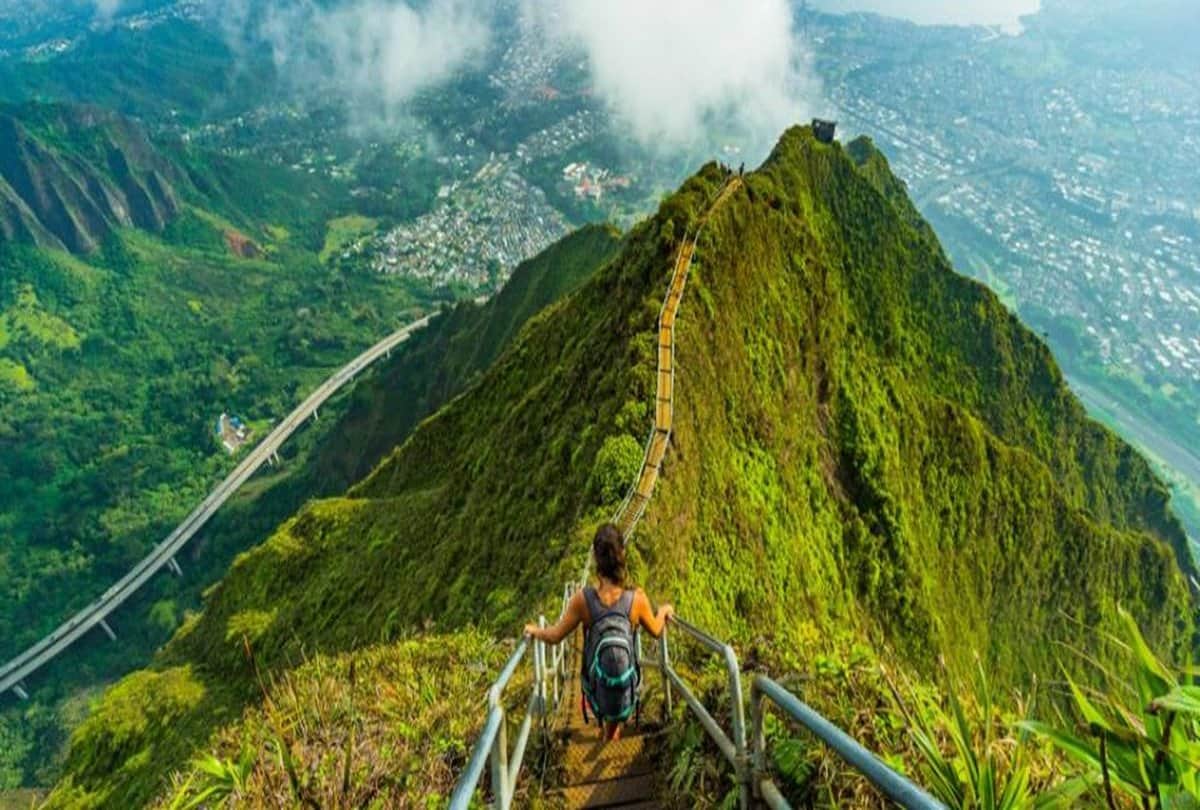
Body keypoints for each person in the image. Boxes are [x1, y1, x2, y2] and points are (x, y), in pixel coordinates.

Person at [524, 523, 674, 741]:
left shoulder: (582, 600)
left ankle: (607, 730)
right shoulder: (637, 599)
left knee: (601, 686)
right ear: (623, 554)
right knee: (616, 703)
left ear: (595, 558)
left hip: (595, 686)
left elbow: (555, 636)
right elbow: (658, 630)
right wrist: (664, 611)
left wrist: (536, 630)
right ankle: (612, 731)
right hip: (627, 685)